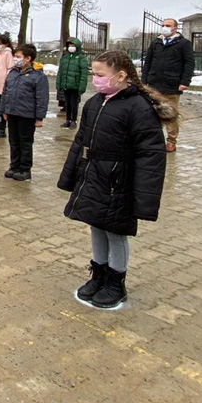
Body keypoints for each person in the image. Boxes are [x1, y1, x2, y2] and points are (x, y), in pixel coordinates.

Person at [58, 51, 173, 309]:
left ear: (120, 76)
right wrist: (70, 176)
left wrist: (144, 199)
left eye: (100, 75)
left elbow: (150, 156)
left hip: (119, 180)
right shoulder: (95, 103)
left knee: (116, 231)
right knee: (95, 224)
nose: (95, 80)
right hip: (94, 175)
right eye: (94, 74)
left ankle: (116, 281)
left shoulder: (138, 107)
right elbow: (81, 140)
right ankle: (98, 274)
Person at [141, 18, 194, 152]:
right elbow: (148, 62)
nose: (165, 27)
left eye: (168, 25)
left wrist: (184, 82)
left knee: (170, 114)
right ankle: (153, 139)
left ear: (175, 28)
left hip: (172, 84)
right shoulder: (156, 43)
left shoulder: (183, 44)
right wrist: (144, 79)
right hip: (154, 84)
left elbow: (189, 63)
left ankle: (171, 141)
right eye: (163, 25)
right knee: (152, 113)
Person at [1, 44, 49, 182]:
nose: (15, 59)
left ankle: (25, 169)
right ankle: (14, 166)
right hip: (12, 113)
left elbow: (42, 98)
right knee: (13, 141)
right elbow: (5, 92)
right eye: (15, 56)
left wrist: (39, 117)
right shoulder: (13, 73)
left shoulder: (38, 76)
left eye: (18, 57)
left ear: (28, 58)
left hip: (27, 115)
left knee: (25, 142)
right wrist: (3, 109)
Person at [57, 37, 89, 129]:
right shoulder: (65, 58)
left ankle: (73, 120)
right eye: (70, 45)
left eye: (73, 45)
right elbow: (60, 72)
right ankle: (67, 120)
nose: (71, 47)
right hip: (66, 85)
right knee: (67, 104)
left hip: (75, 86)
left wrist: (81, 87)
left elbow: (84, 74)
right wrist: (59, 84)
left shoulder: (81, 58)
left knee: (74, 104)